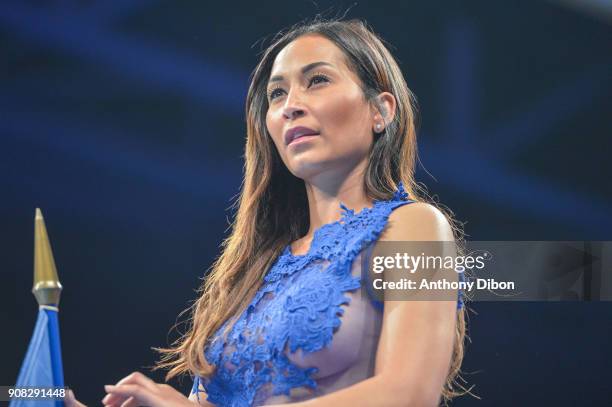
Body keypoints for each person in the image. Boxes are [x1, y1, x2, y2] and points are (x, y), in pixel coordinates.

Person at [66, 17, 469, 407]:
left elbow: (409, 395)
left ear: (381, 110)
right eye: (277, 94)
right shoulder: (253, 269)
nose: (291, 105)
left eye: (317, 80)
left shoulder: (414, 226)